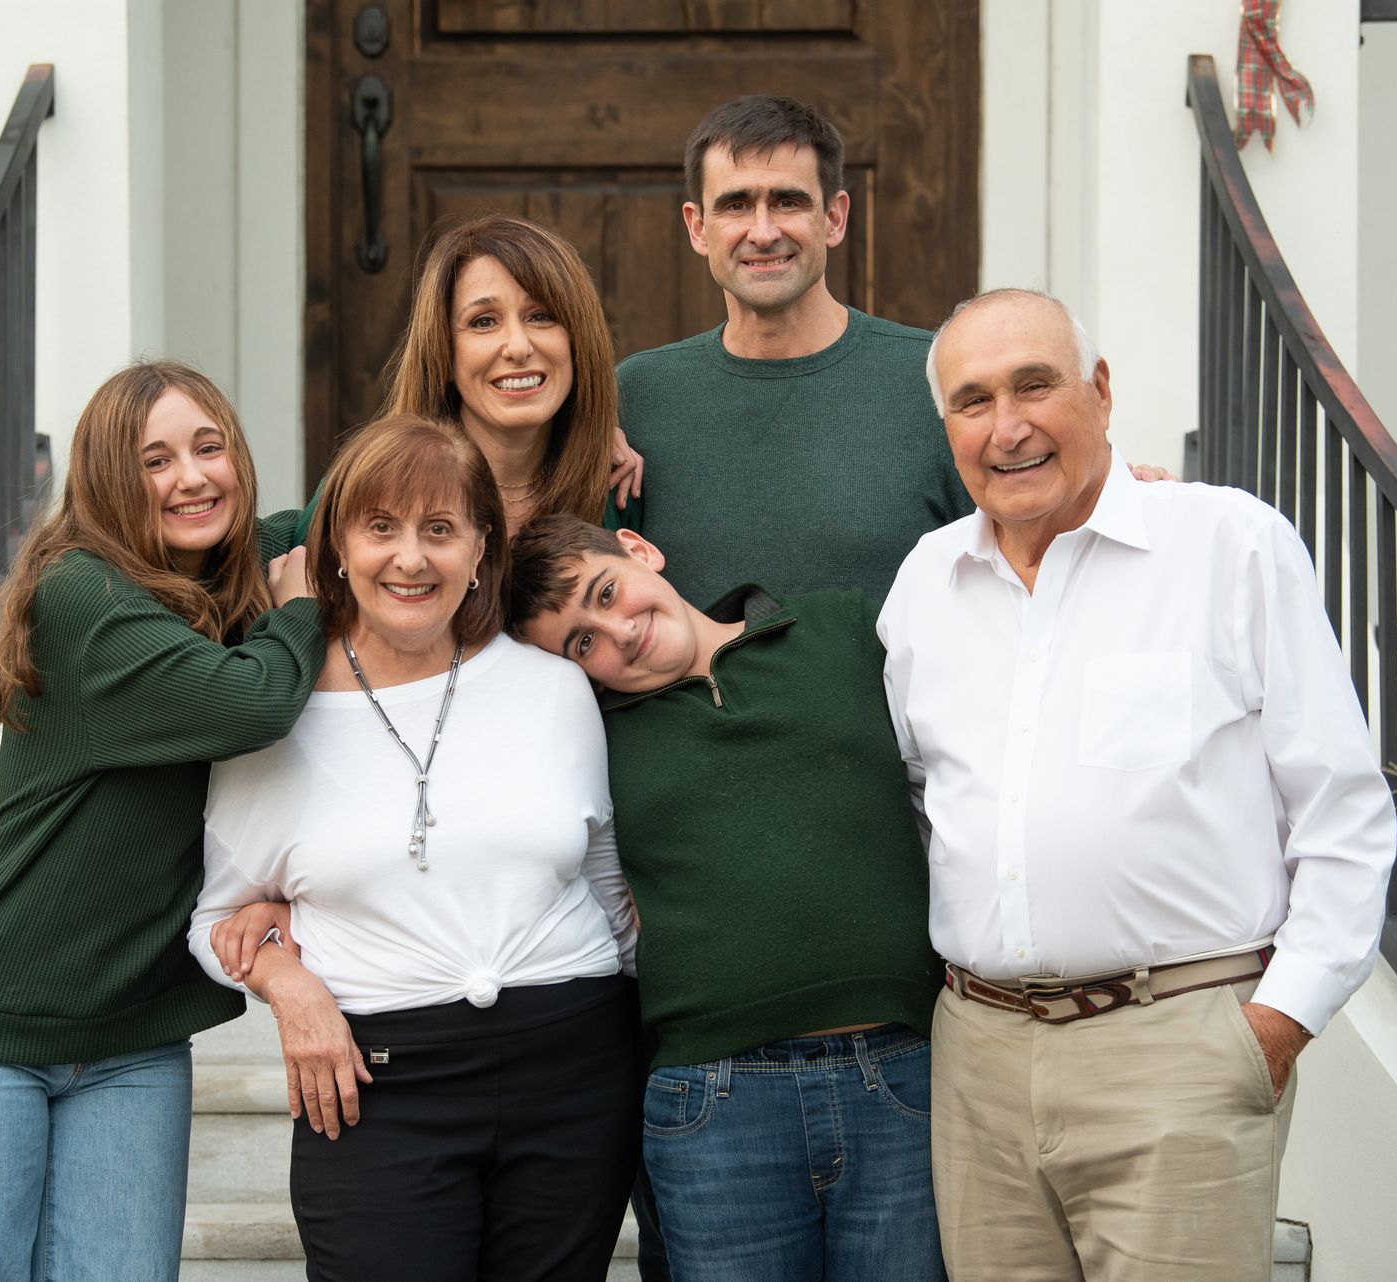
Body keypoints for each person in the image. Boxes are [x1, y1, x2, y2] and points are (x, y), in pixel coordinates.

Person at [879, 288, 1397, 1281]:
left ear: (1102, 392)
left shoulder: (1226, 545)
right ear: (947, 426)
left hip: (1179, 1049)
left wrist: (1277, 1022)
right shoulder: (925, 586)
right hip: (978, 1061)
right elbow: (915, 803)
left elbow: (1341, 808)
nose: (1010, 426)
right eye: (974, 400)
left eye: (1037, 385)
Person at [0, 360, 327, 1282]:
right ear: (110, 482)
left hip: (131, 1038)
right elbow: (252, 703)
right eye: (155, 460)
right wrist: (307, 605)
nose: (192, 477)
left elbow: (363, 501)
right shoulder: (82, 593)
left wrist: (558, 433)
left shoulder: (225, 591)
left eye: (209, 448)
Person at [191, 415, 641, 1281]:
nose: (411, 558)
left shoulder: (553, 689)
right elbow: (214, 917)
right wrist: (288, 987)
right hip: (371, 1087)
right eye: (381, 528)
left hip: (576, 1076)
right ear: (336, 552)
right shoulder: (272, 717)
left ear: (481, 550)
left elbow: (606, 889)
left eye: (441, 529)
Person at [506, 513, 946, 1282]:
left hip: (905, 1073)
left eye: (607, 592)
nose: (618, 633)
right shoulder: (594, 735)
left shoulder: (843, 627)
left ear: (639, 550)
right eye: (582, 643)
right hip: (717, 1100)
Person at [614, 94, 973, 607]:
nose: (763, 232)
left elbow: (1032, 542)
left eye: (788, 201)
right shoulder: (638, 393)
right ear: (698, 227)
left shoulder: (936, 377)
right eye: (736, 204)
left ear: (834, 217)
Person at [294, 214, 643, 544]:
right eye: (483, 322)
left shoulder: (620, 490)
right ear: (443, 352)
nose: (518, 347)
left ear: (577, 340)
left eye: (541, 316)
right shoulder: (363, 487)